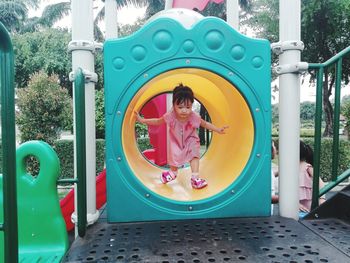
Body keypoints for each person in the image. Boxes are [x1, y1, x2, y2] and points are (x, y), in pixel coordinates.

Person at [135, 83, 229, 189]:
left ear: (192, 105)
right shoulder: (170, 116)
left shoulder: (193, 116)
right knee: (174, 157)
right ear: (174, 105)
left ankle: (195, 178)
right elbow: (157, 121)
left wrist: (218, 129)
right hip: (176, 141)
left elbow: (205, 124)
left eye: (188, 107)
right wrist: (142, 120)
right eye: (180, 107)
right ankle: (173, 173)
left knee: (194, 154)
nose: (184, 110)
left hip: (191, 139)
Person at [299, 141, 326, 216]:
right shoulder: (288, 168)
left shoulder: (307, 167)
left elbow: (320, 182)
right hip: (293, 202)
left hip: (307, 201)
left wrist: (321, 198)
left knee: (307, 217)